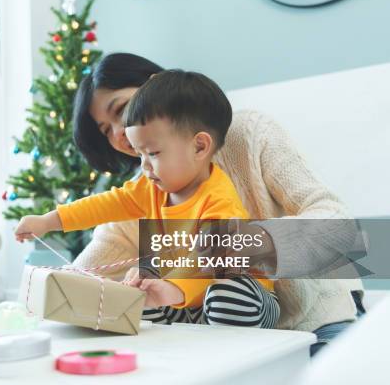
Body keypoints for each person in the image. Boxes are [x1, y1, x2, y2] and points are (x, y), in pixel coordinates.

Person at [66, 52, 365, 356]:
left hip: (314, 322)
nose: (118, 132)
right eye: (105, 130)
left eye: (120, 110)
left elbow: (337, 225)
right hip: (235, 344)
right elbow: (85, 269)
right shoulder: (145, 187)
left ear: (155, 85)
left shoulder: (248, 134)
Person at [16, 70, 280, 328]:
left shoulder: (219, 201)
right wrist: (48, 221)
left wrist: (172, 287)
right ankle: (191, 331)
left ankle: (214, 337)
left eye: (152, 153)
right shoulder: (150, 188)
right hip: (191, 305)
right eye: (140, 155)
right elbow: (104, 204)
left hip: (244, 297)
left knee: (227, 294)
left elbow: (209, 264)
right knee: (137, 301)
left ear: (199, 146)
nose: (145, 166)